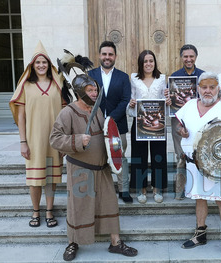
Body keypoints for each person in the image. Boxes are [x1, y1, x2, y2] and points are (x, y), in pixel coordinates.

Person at [49, 73, 137, 261]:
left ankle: (115, 242)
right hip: (81, 169)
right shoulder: (68, 113)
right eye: (90, 90)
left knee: (109, 203)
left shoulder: (96, 109)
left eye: (96, 90)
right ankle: (73, 243)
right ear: (80, 92)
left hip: (102, 169)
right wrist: (77, 139)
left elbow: (107, 134)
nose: (95, 93)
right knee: (79, 207)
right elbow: (54, 139)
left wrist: (113, 151)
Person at [175, 72, 221, 261]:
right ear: (198, 88)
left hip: (216, 164)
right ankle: (200, 234)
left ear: (218, 88)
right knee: (199, 198)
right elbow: (178, 125)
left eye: (212, 87)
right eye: (204, 87)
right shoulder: (189, 106)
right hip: (193, 162)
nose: (207, 91)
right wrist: (181, 130)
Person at [9, 41, 65, 228]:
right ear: (32, 66)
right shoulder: (26, 86)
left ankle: (49, 210)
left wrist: (64, 140)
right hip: (34, 140)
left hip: (54, 139)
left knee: (51, 177)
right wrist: (23, 141)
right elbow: (21, 116)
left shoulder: (58, 84)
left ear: (49, 65)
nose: (41, 65)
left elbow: (65, 114)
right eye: (38, 63)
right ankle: (35, 211)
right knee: (35, 180)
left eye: (44, 62)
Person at [88, 41, 132, 203]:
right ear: (100, 55)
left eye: (110, 54)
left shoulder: (123, 77)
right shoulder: (90, 75)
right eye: (104, 54)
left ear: (115, 57)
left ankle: (124, 190)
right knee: (97, 158)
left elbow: (125, 99)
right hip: (95, 126)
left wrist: (110, 118)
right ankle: (101, 190)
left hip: (117, 126)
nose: (107, 57)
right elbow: (87, 99)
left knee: (119, 156)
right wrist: (100, 118)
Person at [128, 50, 170, 204]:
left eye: (151, 61)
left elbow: (165, 100)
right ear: (141, 63)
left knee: (158, 155)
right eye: (145, 61)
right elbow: (131, 99)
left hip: (157, 123)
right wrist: (131, 104)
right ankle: (141, 188)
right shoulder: (134, 78)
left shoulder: (161, 79)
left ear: (155, 62)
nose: (148, 64)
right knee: (139, 156)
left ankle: (157, 188)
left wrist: (167, 100)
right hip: (139, 122)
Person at [165, 44, 204, 200]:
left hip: (199, 119)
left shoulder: (203, 76)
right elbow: (169, 101)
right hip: (179, 120)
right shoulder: (174, 77)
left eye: (191, 56)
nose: (188, 59)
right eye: (185, 56)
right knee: (181, 155)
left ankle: (199, 188)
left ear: (195, 57)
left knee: (199, 153)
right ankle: (180, 190)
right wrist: (168, 98)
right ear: (181, 58)